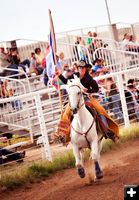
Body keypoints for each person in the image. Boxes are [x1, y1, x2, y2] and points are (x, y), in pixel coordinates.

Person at [54, 60, 119, 143]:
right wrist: (59, 75)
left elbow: (96, 88)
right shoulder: (74, 76)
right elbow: (67, 82)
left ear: (86, 68)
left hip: (86, 98)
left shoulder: (89, 78)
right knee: (66, 112)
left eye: (83, 68)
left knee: (100, 109)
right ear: (77, 68)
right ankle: (63, 134)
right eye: (80, 67)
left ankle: (107, 131)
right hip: (75, 98)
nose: (81, 69)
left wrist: (87, 91)